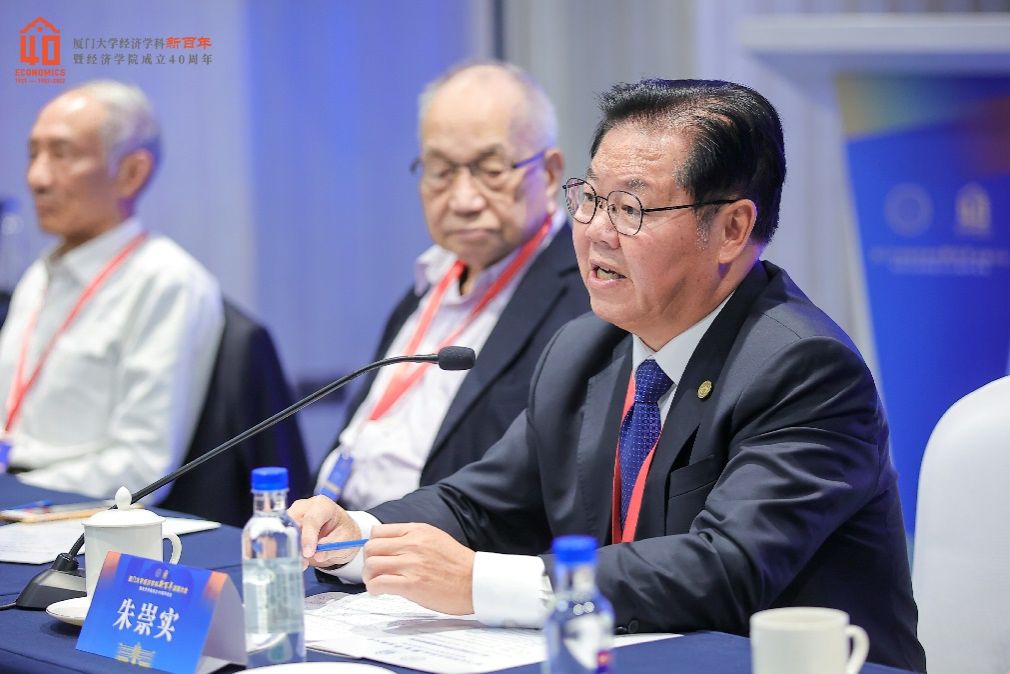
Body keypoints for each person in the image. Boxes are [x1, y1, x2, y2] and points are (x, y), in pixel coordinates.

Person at [292, 78, 926, 671]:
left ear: (732, 228)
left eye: (630, 208)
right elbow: (482, 505)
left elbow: (724, 568)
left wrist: (478, 582)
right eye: (590, 199)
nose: (595, 232)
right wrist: (360, 536)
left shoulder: (804, 368)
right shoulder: (587, 348)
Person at [313, 61, 588, 509]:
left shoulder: (586, 299)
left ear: (551, 173)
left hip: (432, 541)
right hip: (337, 530)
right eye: (440, 171)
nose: (463, 200)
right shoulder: (429, 281)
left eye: (491, 169)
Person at [0, 80, 223, 501]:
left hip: (69, 513)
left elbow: (140, 469)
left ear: (130, 173)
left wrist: (16, 492)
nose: (36, 178)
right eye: (33, 154)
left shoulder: (164, 281)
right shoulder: (39, 274)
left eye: (62, 154)